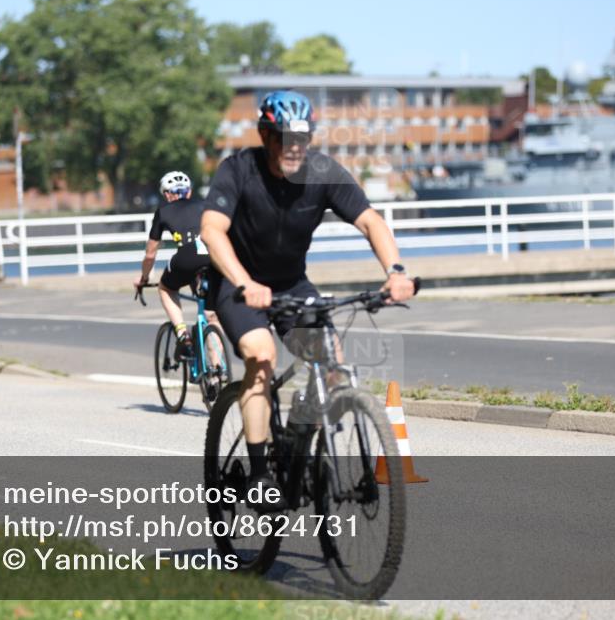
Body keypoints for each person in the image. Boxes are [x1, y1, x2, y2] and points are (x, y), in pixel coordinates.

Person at [200, 90, 415, 509]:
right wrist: (245, 282)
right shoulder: (238, 170)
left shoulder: (322, 173)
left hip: (293, 285)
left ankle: (299, 443)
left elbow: (370, 220)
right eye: (284, 138)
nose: (294, 148)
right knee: (261, 357)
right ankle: (261, 473)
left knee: (331, 366)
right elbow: (211, 230)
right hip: (237, 285)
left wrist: (395, 272)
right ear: (266, 135)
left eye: (303, 138)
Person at [134, 171, 217, 359]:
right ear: (188, 192)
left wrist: (144, 278)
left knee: (166, 288)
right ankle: (217, 372)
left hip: (187, 256)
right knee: (211, 316)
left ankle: (182, 334)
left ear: (167, 194)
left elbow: (150, 254)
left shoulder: (163, 211)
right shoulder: (205, 205)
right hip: (213, 256)